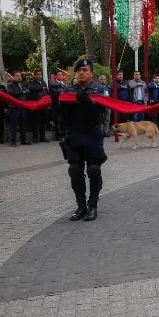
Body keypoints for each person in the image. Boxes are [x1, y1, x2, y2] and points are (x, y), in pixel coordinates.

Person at [59, 59, 107, 222]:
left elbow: (99, 113)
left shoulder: (100, 90)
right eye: (78, 70)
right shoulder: (68, 90)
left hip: (92, 135)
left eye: (85, 70)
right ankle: (81, 206)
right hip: (74, 135)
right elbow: (62, 115)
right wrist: (54, 101)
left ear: (91, 73)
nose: (81, 72)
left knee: (93, 170)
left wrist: (86, 101)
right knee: (74, 170)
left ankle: (92, 205)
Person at [7, 71, 30, 147]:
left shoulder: (22, 85)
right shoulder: (10, 85)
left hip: (22, 107)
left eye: (20, 76)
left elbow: (26, 93)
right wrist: (22, 91)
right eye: (17, 76)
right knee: (13, 125)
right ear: (13, 77)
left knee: (23, 124)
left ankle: (23, 140)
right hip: (14, 108)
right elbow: (11, 93)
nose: (19, 77)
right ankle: (12, 141)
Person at [27, 70, 49, 143]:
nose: (39, 76)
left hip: (44, 105)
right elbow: (31, 88)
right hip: (36, 105)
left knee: (43, 122)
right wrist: (42, 88)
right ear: (34, 75)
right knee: (36, 122)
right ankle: (35, 137)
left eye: (40, 74)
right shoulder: (32, 82)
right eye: (37, 74)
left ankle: (43, 137)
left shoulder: (43, 82)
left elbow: (47, 92)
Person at [49, 71, 67, 140]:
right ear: (56, 76)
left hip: (63, 104)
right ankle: (58, 136)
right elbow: (53, 92)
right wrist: (60, 92)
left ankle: (63, 134)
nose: (60, 76)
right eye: (58, 74)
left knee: (63, 120)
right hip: (56, 104)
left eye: (61, 74)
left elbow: (66, 91)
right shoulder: (53, 83)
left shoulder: (64, 84)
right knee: (57, 121)